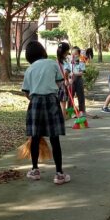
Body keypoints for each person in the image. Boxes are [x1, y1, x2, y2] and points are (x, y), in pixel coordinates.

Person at [22, 41, 70, 185]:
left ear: (29, 56)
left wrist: (36, 98)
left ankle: (35, 170)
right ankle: (59, 174)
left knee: (35, 138)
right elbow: (61, 82)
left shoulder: (29, 69)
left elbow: (26, 92)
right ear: (43, 51)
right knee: (55, 139)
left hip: (35, 102)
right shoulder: (52, 63)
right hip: (51, 101)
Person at [56, 42, 72, 117]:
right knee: (63, 104)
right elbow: (66, 72)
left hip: (55, 84)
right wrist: (67, 80)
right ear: (66, 52)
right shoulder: (65, 62)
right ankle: (63, 120)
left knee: (56, 104)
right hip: (62, 83)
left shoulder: (55, 62)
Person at [70, 46, 87, 115]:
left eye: (76, 54)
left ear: (79, 55)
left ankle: (81, 111)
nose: (74, 56)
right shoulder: (69, 62)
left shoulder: (81, 62)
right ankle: (70, 111)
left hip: (78, 79)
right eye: (72, 54)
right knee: (70, 95)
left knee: (80, 96)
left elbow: (82, 72)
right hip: (71, 80)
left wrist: (75, 73)